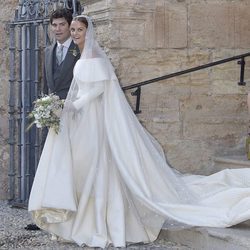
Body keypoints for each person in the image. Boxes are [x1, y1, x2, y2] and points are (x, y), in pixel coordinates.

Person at [28, 15, 250, 248]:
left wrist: (71, 105)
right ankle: (81, 216)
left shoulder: (94, 58)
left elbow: (97, 91)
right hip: (82, 119)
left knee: (96, 165)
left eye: (78, 30)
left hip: (92, 119)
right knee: (83, 166)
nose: (74, 33)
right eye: (72, 29)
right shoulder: (81, 56)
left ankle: (99, 220)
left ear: (88, 31)